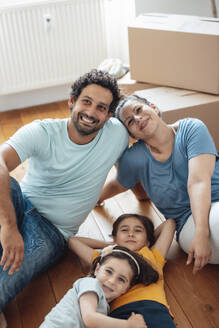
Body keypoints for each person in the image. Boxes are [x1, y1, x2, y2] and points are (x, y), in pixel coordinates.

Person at [0, 69, 129, 327]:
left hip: (53, 231)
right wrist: (9, 226)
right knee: (6, 184)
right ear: (72, 100)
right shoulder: (42, 132)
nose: (92, 112)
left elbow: (146, 142)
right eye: (86, 101)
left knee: (12, 268)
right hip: (19, 204)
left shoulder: (118, 133)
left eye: (101, 107)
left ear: (109, 114)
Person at [98, 94, 219, 274]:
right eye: (130, 121)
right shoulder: (134, 158)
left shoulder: (191, 128)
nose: (138, 119)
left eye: (139, 110)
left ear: (153, 107)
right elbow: (118, 184)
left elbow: (198, 182)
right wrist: (94, 200)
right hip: (187, 222)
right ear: (132, 134)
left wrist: (202, 233)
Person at [69, 213, 176, 327]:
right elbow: (73, 241)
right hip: (118, 315)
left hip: (154, 310)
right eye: (124, 230)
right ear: (115, 237)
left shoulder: (152, 255)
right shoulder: (107, 258)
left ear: (148, 241)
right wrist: (112, 244)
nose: (131, 234)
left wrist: (148, 240)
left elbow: (170, 223)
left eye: (138, 231)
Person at [40, 245, 155, 328]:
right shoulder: (90, 283)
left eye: (121, 279)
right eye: (109, 271)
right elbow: (90, 318)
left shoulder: (105, 307)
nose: (111, 281)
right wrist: (128, 325)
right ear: (97, 269)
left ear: (126, 289)